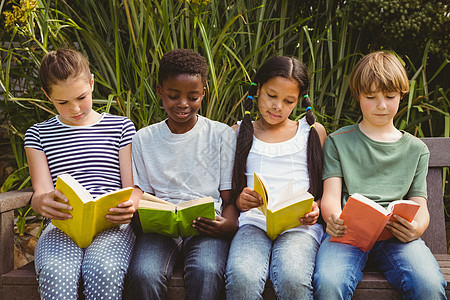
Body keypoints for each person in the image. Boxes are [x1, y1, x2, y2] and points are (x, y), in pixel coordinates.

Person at [313, 51, 447, 299]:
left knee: (428, 284)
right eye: (371, 97)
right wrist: (333, 217)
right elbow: (331, 195)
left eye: (390, 96)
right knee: (329, 283)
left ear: (401, 95)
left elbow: (420, 203)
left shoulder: (416, 149)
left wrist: (416, 229)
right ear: (358, 96)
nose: (382, 105)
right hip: (348, 234)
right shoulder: (338, 141)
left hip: (396, 237)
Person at [25, 48, 141, 300]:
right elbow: (41, 191)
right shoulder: (38, 134)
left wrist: (131, 204)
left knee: (105, 270)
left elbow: (132, 187)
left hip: (111, 225)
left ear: (91, 83)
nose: (75, 108)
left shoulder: (120, 126)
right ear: (47, 96)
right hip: (62, 226)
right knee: (56, 272)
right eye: (63, 102)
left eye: (81, 97)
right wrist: (42, 202)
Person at [125, 48, 238, 299]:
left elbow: (228, 198)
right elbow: (141, 193)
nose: (183, 104)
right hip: (161, 230)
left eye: (193, 96)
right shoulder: (144, 138)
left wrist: (229, 225)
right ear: (160, 91)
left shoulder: (220, 135)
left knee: (207, 270)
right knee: (144, 273)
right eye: (173, 96)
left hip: (206, 227)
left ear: (204, 93)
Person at [224, 56, 327, 300]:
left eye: (288, 101)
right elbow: (231, 197)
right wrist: (241, 201)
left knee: (293, 277)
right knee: (241, 276)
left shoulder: (312, 133)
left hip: (299, 226)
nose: (278, 106)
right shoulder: (238, 132)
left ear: (299, 101)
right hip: (254, 223)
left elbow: (325, 192)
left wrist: (316, 209)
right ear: (257, 89)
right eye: (271, 95)